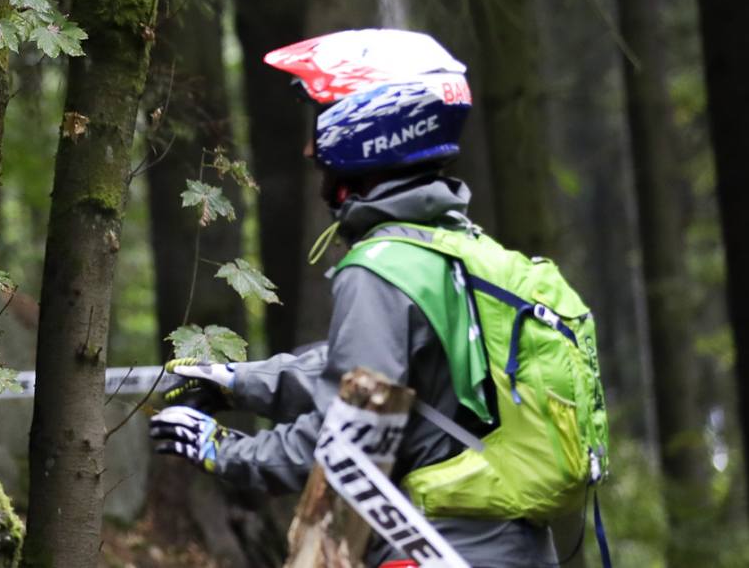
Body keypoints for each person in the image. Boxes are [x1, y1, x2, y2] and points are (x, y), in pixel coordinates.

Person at [150, 28, 561, 567]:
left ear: (370, 128)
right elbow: (374, 374)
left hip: (434, 548)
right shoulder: (464, 253)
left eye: (321, 123)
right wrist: (238, 383)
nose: (309, 149)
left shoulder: (382, 268)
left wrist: (220, 449)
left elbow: (344, 440)